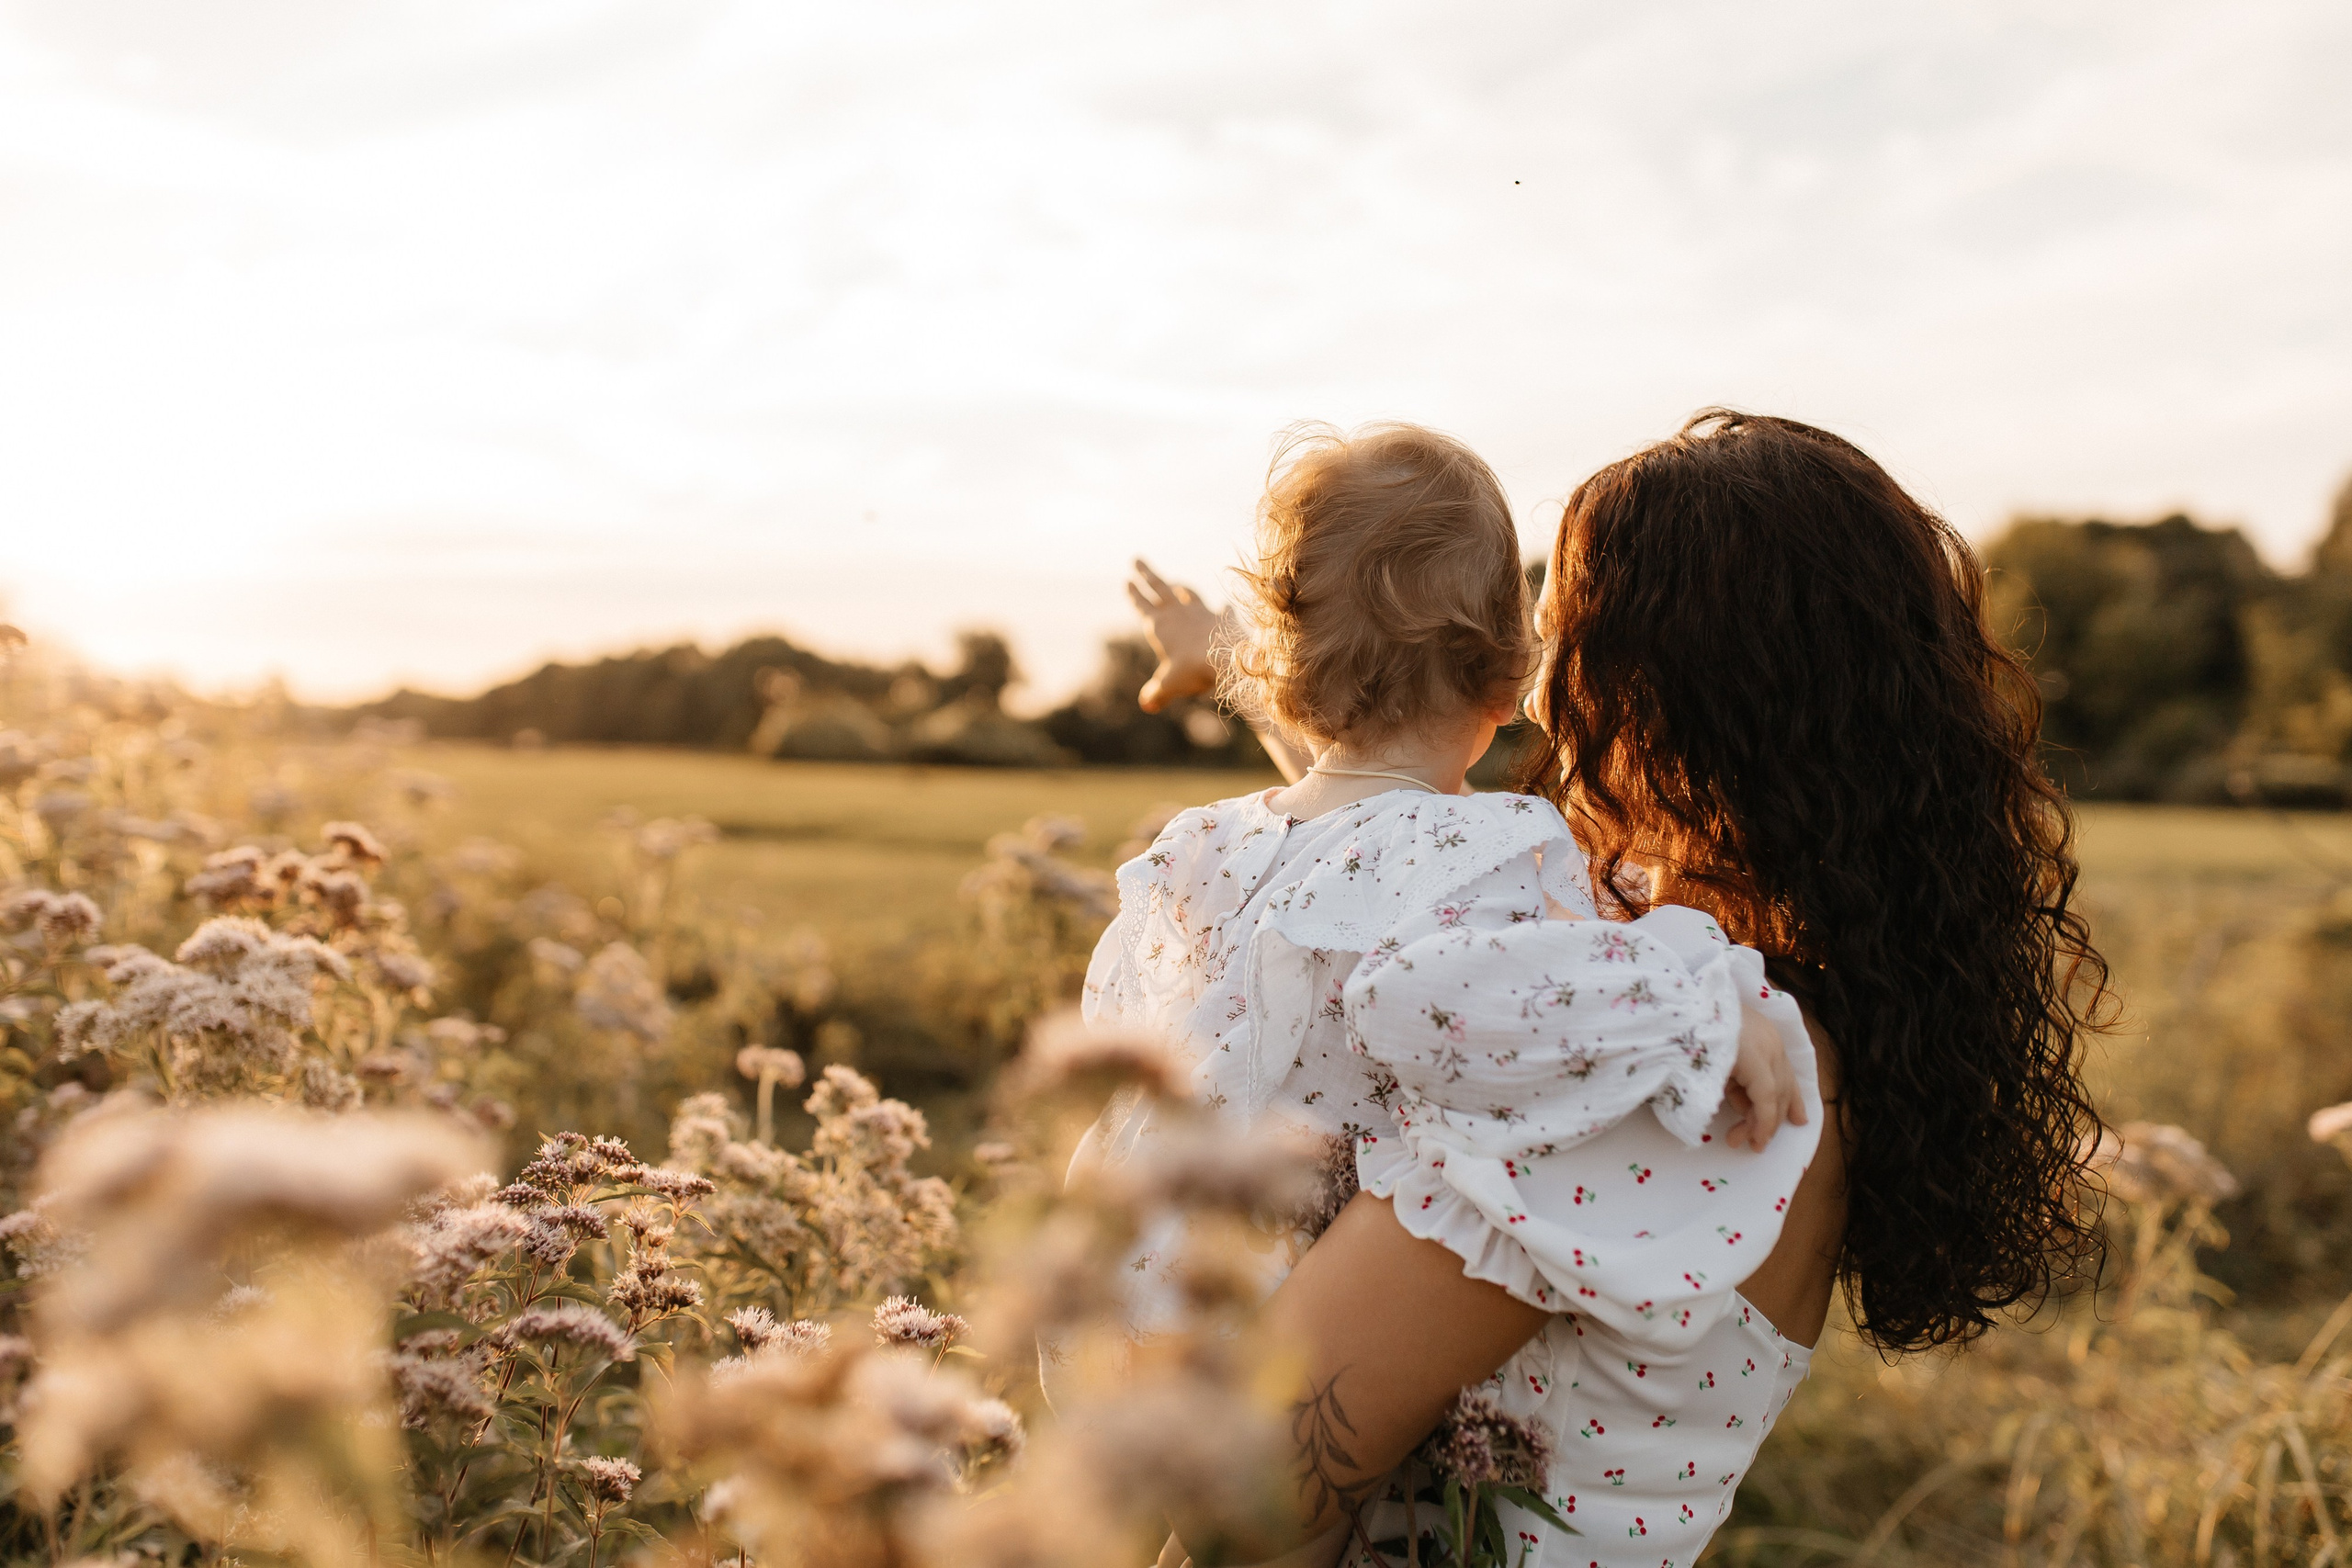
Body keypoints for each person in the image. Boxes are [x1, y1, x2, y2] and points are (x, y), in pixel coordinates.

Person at [1123, 412, 2109, 1568]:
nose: (1536, 704)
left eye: (1559, 651)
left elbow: (1243, 1497)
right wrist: (1246, 674)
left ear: (1669, 695)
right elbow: (1374, 870)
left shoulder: (1657, 1073)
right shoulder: (1735, 999)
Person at [1081, 422, 1819, 1567]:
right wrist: (1699, 994)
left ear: (1281, 655)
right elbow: (1447, 987)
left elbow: (1356, 866)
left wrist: (1238, 657)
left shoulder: (1206, 846)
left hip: (1146, 1287)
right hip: (1297, 1312)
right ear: (1513, 668)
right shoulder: (1500, 853)